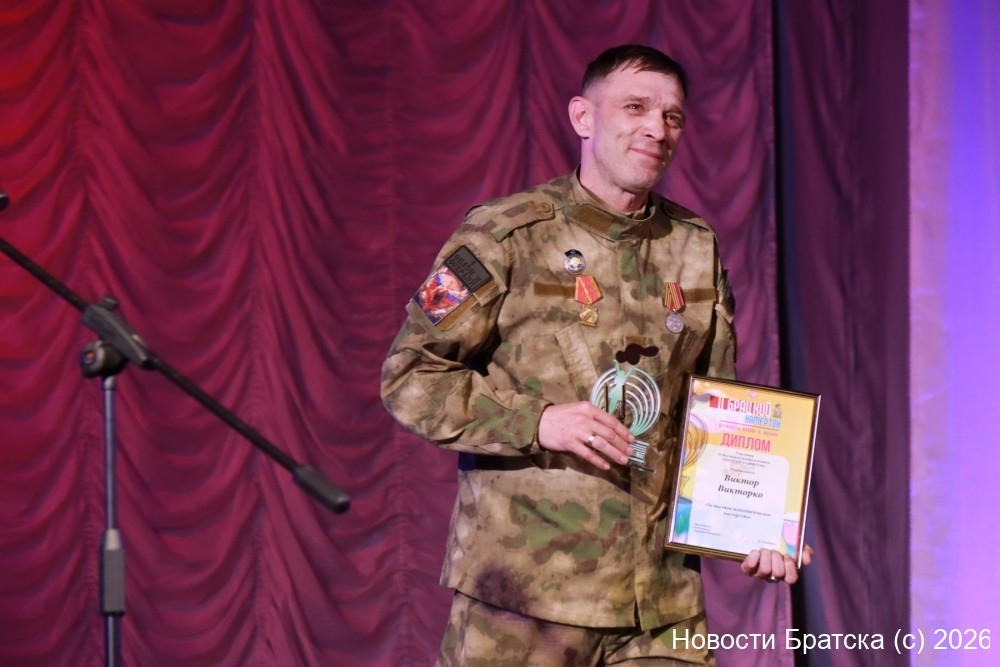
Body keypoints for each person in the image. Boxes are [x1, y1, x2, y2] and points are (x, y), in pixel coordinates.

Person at [381, 44, 811, 666]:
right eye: (636, 107)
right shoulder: (505, 234)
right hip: (525, 596)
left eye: (672, 116)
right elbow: (411, 375)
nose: (656, 128)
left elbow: (718, 409)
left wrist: (758, 522)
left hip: (660, 603)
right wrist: (537, 421)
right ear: (583, 117)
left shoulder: (694, 247)